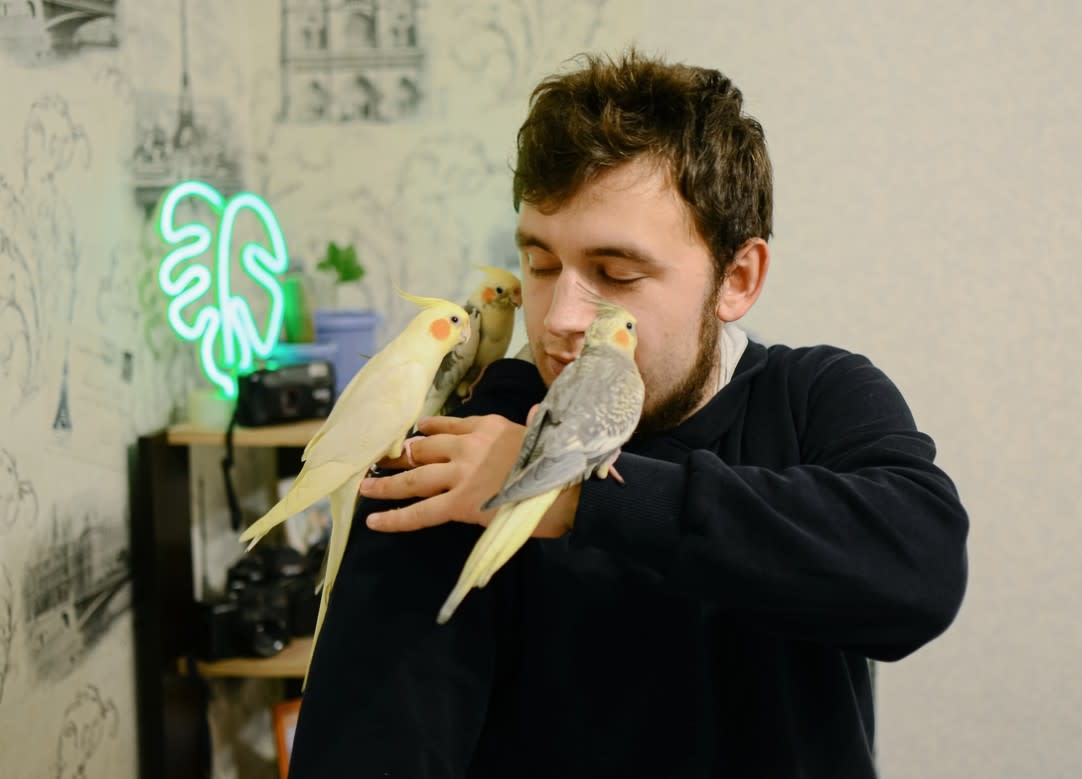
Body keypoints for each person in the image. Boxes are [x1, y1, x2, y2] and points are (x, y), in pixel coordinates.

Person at [288, 49, 969, 779]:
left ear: (737, 279)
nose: (559, 320)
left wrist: (574, 491)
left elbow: (919, 573)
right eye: (541, 265)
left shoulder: (814, 399)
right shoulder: (465, 446)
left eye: (616, 274)